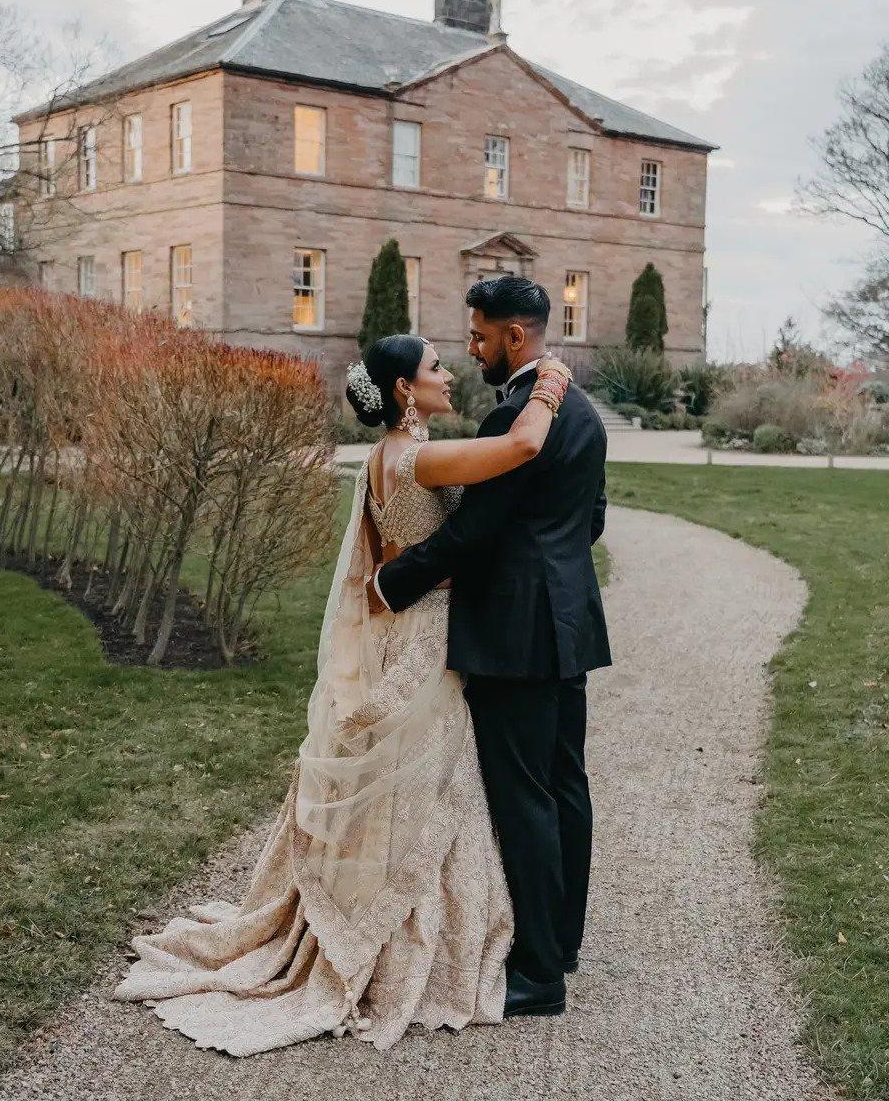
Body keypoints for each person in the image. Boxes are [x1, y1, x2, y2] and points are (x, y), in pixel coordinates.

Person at [111, 326, 574, 1054]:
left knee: (408, 785)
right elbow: (521, 448)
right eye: (432, 368)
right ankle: (393, 946)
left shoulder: (385, 458)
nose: (447, 373)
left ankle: (373, 917)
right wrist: (549, 383)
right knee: (427, 785)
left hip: (408, 628)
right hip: (424, 642)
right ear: (403, 391)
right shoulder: (417, 457)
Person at [368, 275, 611, 1019]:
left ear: (515, 336)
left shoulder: (518, 415)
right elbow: (591, 519)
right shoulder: (585, 409)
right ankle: (560, 940)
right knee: (565, 784)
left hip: (515, 632)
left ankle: (538, 975)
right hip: (567, 619)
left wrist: (392, 584)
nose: (472, 350)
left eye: (478, 336)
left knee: (524, 797)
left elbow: (476, 533)